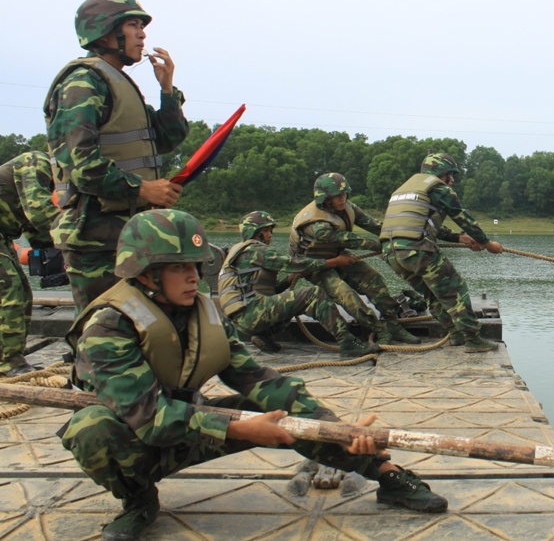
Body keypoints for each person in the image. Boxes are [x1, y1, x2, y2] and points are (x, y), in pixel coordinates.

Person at [60, 209, 447, 541]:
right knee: (93, 428)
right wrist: (243, 429)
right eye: (179, 268)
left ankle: (387, 474)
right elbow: (150, 420)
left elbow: (258, 380)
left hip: (193, 424)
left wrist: (338, 430)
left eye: (196, 266)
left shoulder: (204, 312)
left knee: (286, 408)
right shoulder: (109, 327)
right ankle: (137, 499)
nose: (194, 277)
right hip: (140, 436)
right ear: (144, 274)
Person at [43, 0, 189, 312]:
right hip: (96, 237)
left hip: (130, 231)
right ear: (107, 32)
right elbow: (82, 166)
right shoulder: (83, 82)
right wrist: (144, 189)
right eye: (133, 25)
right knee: (104, 334)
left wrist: (167, 91)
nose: (142, 33)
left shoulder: (116, 81)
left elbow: (166, 138)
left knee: (140, 329)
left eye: (142, 26)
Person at [380, 153, 503, 353]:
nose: (452, 180)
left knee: (432, 295)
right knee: (455, 289)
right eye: (450, 174)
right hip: (418, 251)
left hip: (391, 253)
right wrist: (487, 243)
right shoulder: (438, 188)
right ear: (440, 172)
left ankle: (455, 334)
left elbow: (420, 222)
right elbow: (462, 217)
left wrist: (459, 238)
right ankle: (473, 339)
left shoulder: (404, 190)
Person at [218, 210, 380, 358]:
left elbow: (270, 290)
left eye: (270, 231)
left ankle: (262, 334)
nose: (270, 235)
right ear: (254, 232)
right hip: (252, 312)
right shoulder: (256, 250)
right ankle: (347, 342)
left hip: (243, 320)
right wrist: (335, 261)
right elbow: (296, 263)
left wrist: (290, 279)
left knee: (290, 304)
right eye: (265, 231)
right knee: (314, 294)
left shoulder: (238, 252)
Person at [289, 173, 422, 346]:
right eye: (337, 196)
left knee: (373, 278)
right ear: (325, 199)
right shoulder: (316, 224)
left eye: (344, 194)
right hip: (315, 265)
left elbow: (372, 224)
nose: (342, 199)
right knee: (346, 295)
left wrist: (398, 237)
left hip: (338, 255)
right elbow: (346, 238)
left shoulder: (347, 207)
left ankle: (394, 325)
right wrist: (375, 245)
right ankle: (379, 329)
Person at [0, 150, 59, 376]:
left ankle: (11, 358)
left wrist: (57, 253)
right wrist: (73, 239)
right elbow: (39, 211)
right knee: (10, 291)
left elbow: (35, 231)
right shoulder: (36, 162)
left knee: (23, 291)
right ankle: (9, 363)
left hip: (3, 235)